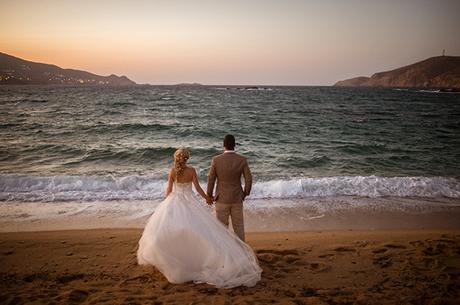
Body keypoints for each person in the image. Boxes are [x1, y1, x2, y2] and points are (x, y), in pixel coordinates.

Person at [137, 148, 262, 288]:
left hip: (175, 201)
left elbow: (169, 191)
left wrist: (166, 203)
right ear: (186, 158)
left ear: (176, 158)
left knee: (172, 229)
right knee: (196, 230)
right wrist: (207, 198)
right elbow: (197, 188)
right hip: (190, 202)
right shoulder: (191, 171)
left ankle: (178, 258)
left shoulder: (172, 171)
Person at [207, 134, 252, 241]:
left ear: (224, 145)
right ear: (234, 145)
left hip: (221, 198)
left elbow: (211, 178)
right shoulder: (242, 160)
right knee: (239, 227)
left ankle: (224, 253)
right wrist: (245, 193)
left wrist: (209, 194)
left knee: (221, 229)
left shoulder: (216, 160)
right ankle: (242, 252)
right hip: (237, 198)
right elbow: (249, 179)